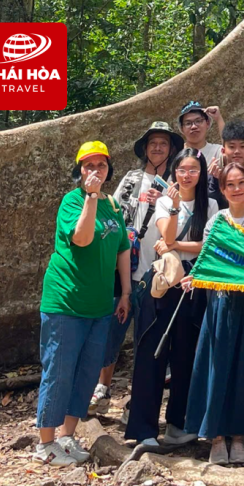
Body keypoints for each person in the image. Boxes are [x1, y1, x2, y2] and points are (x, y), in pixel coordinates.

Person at [34, 141, 131, 466]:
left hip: (100, 305)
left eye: (100, 165)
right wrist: (90, 197)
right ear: (79, 171)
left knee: (87, 373)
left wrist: (126, 293)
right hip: (66, 302)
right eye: (88, 166)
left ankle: (67, 436)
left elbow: (122, 248)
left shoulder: (113, 206)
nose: (95, 171)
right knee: (59, 371)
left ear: (108, 170)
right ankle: (46, 443)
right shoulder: (72, 201)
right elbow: (82, 238)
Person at [183, 162, 244, 465]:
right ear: (223, 190)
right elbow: (208, 262)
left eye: (242, 183)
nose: (237, 189)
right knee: (218, 366)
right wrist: (194, 278)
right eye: (230, 184)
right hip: (221, 305)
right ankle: (215, 437)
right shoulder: (216, 223)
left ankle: (239, 436)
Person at [125, 148, 218, 447]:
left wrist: (177, 244)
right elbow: (164, 239)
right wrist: (176, 212)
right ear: (174, 172)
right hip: (163, 282)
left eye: (193, 170)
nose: (187, 175)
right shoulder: (165, 200)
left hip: (194, 284)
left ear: (201, 174)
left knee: (186, 355)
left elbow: (209, 246)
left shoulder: (212, 205)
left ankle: (179, 425)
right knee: (152, 351)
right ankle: (144, 429)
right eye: (182, 170)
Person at [90, 121, 183, 413]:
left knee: (147, 335)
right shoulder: (131, 178)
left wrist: (167, 194)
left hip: (158, 272)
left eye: (163, 143)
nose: (157, 147)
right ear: (145, 148)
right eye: (153, 142)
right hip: (124, 268)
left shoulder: (177, 182)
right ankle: (102, 387)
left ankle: (139, 395)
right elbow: (114, 214)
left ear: (172, 149)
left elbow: (186, 219)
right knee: (112, 331)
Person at [207, 119, 244, 209]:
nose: (237, 151)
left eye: (242, 146)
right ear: (223, 150)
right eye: (232, 147)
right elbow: (208, 208)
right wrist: (216, 181)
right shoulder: (209, 180)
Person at [179, 101, 225, 170]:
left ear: (207, 123)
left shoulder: (217, 151)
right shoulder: (176, 152)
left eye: (198, 121)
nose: (194, 126)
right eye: (188, 123)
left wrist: (219, 118)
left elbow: (230, 150)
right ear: (182, 128)